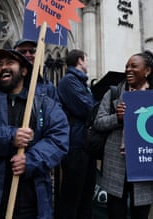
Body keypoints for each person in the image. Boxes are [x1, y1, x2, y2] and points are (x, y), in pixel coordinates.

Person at [0, 49, 69, 218]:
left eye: (9, 63)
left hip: (29, 201)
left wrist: (31, 160)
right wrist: (10, 136)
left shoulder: (44, 104)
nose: (3, 68)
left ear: (24, 71)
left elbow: (59, 137)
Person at [93, 50, 153, 219]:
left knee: (141, 214)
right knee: (115, 212)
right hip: (116, 164)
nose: (128, 70)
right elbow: (98, 122)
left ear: (147, 71)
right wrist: (117, 118)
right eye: (127, 66)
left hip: (145, 164)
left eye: (134, 66)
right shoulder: (114, 93)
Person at [57, 49, 96, 219]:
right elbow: (87, 109)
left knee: (86, 195)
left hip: (86, 144)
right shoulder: (68, 81)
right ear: (80, 60)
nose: (87, 63)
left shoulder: (81, 83)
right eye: (86, 59)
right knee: (72, 196)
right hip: (75, 144)